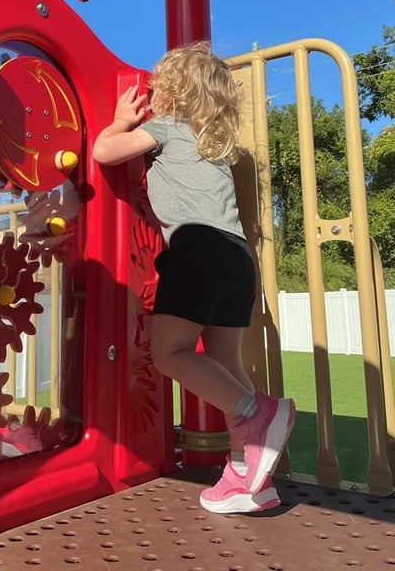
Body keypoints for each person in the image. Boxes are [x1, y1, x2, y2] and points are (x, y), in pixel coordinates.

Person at [92, 41, 295, 514]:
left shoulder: (165, 127)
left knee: (170, 352)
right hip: (237, 259)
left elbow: (105, 151)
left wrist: (121, 121)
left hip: (197, 249)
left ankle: (256, 412)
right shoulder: (214, 147)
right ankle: (249, 477)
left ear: (171, 93)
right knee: (225, 363)